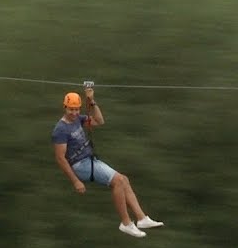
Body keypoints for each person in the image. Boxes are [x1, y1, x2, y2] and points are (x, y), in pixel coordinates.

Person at [51, 86, 163, 238]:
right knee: (118, 181)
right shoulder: (60, 129)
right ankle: (126, 223)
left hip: (90, 161)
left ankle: (142, 219)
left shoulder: (78, 119)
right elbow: (60, 158)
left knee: (124, 180)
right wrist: (76, 181)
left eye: (77, 109)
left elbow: (99, 120)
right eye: (71, 109)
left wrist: (91, 101)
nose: (75, 113)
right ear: (65, 108)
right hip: (80, 166)